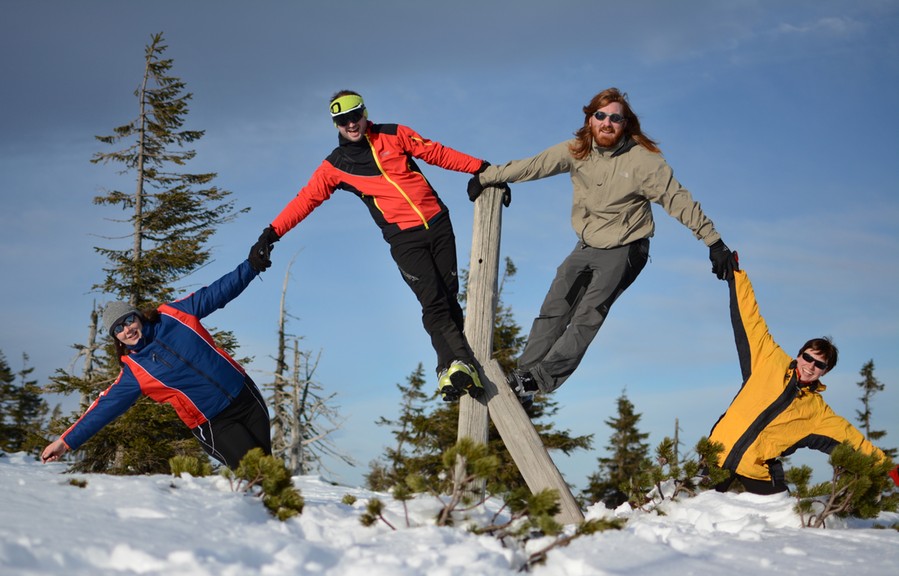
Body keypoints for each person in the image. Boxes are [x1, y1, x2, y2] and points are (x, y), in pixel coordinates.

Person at [467, 87, 736, 403]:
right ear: (590, 120)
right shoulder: (577, 150)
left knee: (587, 314)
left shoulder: (644, 162)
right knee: (554, 307)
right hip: (587, 245)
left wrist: (714, 242)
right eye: (601, 116)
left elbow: (678, 200)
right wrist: (487, 177)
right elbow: (533, 165)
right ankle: (524, 379)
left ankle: (538, 379)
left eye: (615, 118)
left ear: (625, 124)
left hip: (626, 247)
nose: (607, 123)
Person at [249, 90, 499, 401]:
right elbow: (306, 200)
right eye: (343, 120)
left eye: (355, 116)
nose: (351, 124)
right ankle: (461, 364)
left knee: (449, 297)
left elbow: (437, 152)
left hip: (438, 223)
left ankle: (449, 369)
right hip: (404, 239)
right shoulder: (336, 165)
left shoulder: (394, 134)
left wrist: (482, 169)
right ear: (336, 124)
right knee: (433, 302)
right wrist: (271, 234)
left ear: (365, 113)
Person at [41, 253, 273, 470]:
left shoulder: (174, 315)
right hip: (215, 423)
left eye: (128, 321)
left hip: (246, 397)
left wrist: (251, 266)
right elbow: (103, 408)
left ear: (138, 316)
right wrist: (65, 442)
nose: (127, 330)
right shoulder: (135, 371)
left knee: (270, 470)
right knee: (257, 473)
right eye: (118, 329)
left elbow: (218, 292)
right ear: (117, 338)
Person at [709, 255, 899, 494]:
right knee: (688, 507)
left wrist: (887, 467)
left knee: (785, 514)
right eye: (808, 358)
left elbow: (851, 439)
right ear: (799, 355)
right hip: (716, 455)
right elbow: (750, 319)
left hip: (755, 470)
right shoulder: (768, 360)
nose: (810, 366)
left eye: (819, 364)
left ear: (825, 372)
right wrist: (736, 276)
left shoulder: (816, 412)